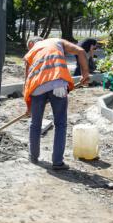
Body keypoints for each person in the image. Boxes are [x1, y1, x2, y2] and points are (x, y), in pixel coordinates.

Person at [24, 36, 90, 170]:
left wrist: (29, 107)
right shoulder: (56, 41)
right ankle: (57, 162)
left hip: (36, 88)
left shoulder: (31, 53)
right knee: (60, 124)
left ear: (32, 44)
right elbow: (81, 51)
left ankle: (33, 156)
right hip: (58, 84)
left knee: (35, 124)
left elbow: (27, 83)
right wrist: (85, 74)